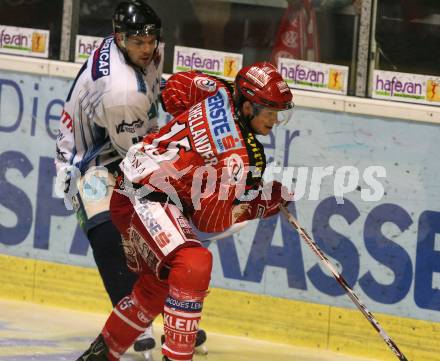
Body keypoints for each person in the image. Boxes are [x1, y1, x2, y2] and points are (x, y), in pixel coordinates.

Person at [74, 61, 294, 361]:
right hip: (144, 196)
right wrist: (259, 203)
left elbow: (173, 92)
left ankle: (99, 356)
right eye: (269, 111)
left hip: (136, 187)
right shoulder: (238, 158)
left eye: (278, 112)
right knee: (194, 262)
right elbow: (209, 220)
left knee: (156, 287)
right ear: (247, 108)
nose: (275, 120)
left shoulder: (217, 89)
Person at [55, 1, 165, 359]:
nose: (147, 48)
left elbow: (155, 98)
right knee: (107, 231)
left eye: (151, 39)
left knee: (154, 229)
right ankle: (136, 322)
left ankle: (169, 313)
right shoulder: (121, 91)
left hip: (118, 145)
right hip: (87, 162)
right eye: (138, 41)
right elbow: (136, 160)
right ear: (120, 39)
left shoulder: (143, 54)